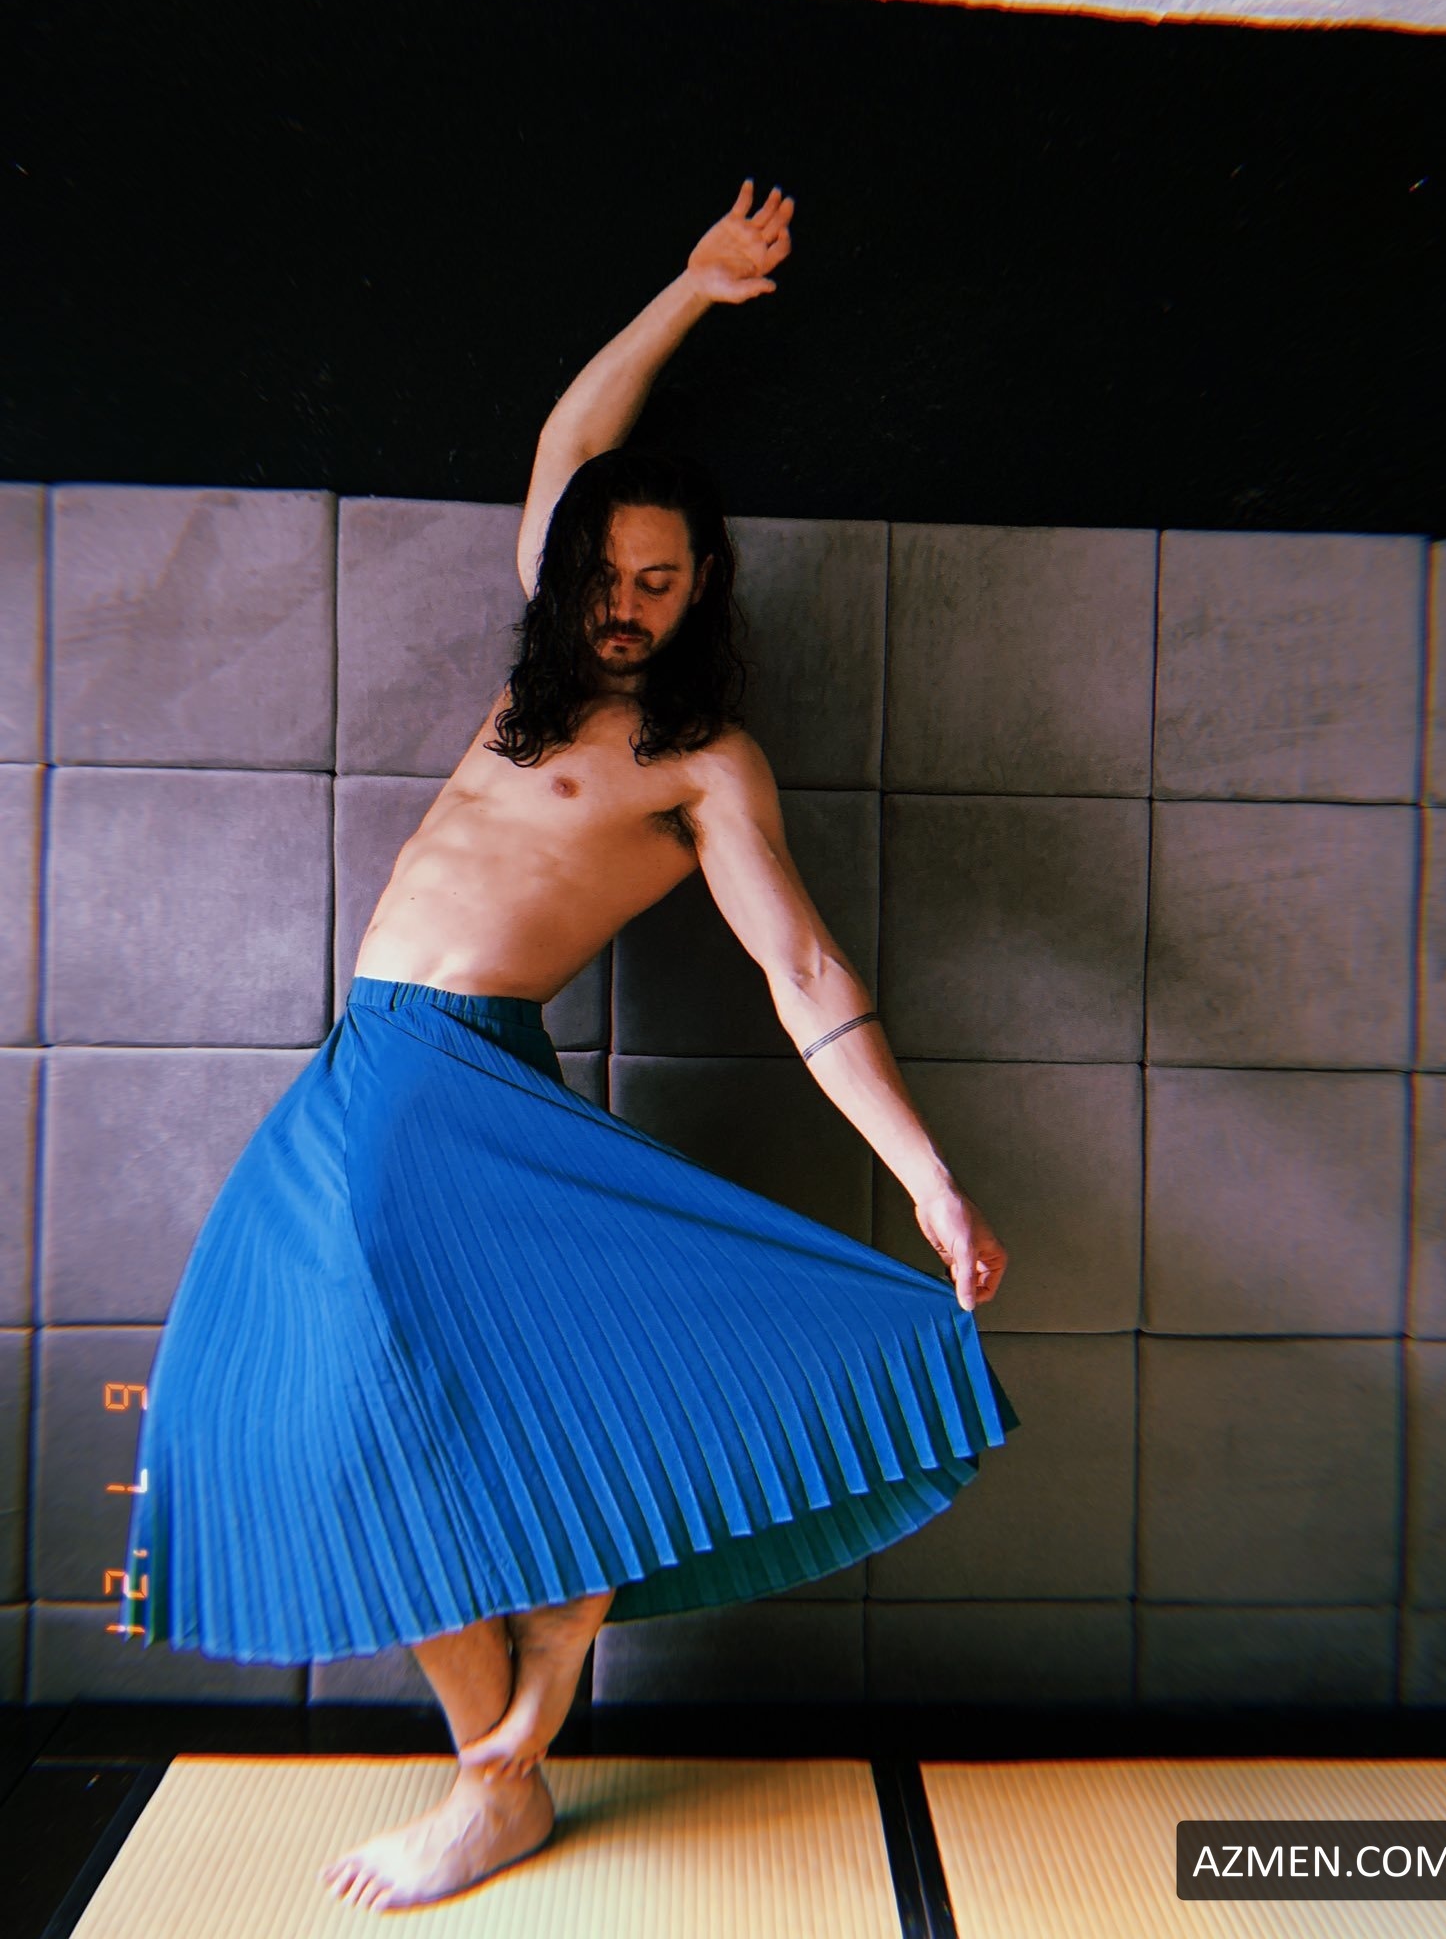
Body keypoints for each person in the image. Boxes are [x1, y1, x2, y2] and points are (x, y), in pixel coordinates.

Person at [117, 179, 1018, 1912]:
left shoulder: (702, 764)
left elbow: (805, 969)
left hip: (460, 1091)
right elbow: (573, 438)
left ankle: (499, 1778)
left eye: (658, 582)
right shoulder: (535, 679)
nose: (623, 601)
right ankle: (512, 1744)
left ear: (701, 590)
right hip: (364, 1073)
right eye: (604, 573)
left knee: (519, 1405)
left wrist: (927, 1179)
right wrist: (691, 288)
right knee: (323, 1405)